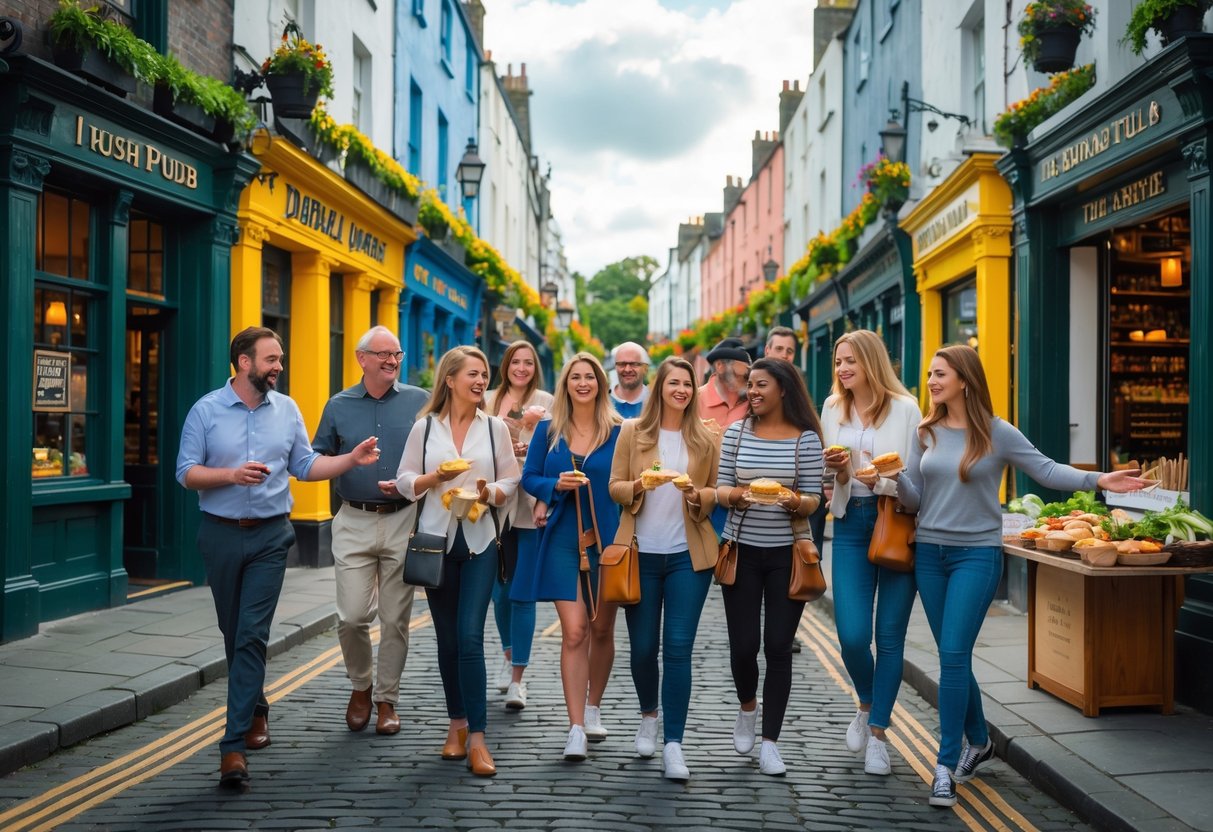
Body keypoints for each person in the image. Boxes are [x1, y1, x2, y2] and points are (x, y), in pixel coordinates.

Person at [893, 345, 1149, 808]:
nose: (930, 381)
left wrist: (1100, 481)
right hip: (929, 554)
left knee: (952, 654)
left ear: (965, 380)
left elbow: (1046, 469)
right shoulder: (924, 432)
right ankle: (979, 740)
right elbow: (913, 499)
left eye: (939, 374)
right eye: (930, 373)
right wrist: (888, 480)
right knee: (955, 657)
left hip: (977, 556)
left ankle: (944, 765)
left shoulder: (996, 432)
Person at [176, 326, 381, 787]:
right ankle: (258, 707)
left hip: (272, 537)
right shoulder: (206, 411)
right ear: (245, 363)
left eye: (281, 359)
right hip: (220, 535)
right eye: (272, 359)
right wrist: (231, 475)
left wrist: (351, 459)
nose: (280, 367)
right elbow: (186, 473)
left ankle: (232, 747)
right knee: (234, 633)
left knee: (251, 633)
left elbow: (306, 465)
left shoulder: (286, 410)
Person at [381, 346, 520, 777]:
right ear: (450, 380)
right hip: (436, 543)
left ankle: (478, 737)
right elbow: (405, 479)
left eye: (484, 375)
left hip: (480, 541)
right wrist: (434, 478)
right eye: (473, 375)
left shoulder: (494, 427)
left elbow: (511, 478)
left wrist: (488, 493)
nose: (482, 382)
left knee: (469, 636)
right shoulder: (424, 429)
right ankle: (455, 726)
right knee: (447, 641)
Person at [311, 326, 429, 737]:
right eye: (382, 354)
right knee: (352, 616)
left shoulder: (420, 402)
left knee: (395, 619)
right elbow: (316, 459)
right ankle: (360, 686)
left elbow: (442, 451)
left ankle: (386, 700)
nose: (391, 361)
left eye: (396, 354)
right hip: (354, 518)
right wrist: (349, 461)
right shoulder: (338, 405)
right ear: (362, 358)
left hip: (403, 519)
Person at [608, 357, 721, 781]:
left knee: (677, 648)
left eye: (688, 385)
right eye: (674, 383)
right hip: (640, 553)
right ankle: (648, 716)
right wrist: (641, 484)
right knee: (642, 649)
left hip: (686, 557)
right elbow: (615, 486)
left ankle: (674, 742)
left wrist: (697, 495)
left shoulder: (706, 437)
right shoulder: (633, 431)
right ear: (660, 388)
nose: (682, 391)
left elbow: (712, 492)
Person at [819, 330, 922, 776]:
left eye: (851, 362)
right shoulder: (832, 407)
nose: (842, 369)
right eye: (839, 362)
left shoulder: (906, 408)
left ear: (872, 363)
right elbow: (830, 477)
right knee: (853, 635)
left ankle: (879, 733)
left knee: (891, 636)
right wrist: (841, 474)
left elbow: (915, 483)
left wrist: (877, 481)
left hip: (895, 522)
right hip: (849, 524)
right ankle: (866, 702)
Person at [715, 357, 823, 777]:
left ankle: (771, 743)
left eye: (761, 385)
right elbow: (721, 487)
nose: (753, 392)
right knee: (743, 648)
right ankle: (747, 707)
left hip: (787, 555)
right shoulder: (737, 433)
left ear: (783, 388)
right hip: (741, 550)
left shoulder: (806, 439)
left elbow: (814, 497)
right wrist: (736, 497)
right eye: (750, 385)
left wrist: (797, 502)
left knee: (778, 646)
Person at [516, 352, 623, 761]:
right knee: (575, 630)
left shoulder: (618, 431)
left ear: (600, 383)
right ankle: (575, 726)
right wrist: (553, 487)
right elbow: (529, 476)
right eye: (575, 377)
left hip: (607, 539)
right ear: (565, 385)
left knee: (600, 630)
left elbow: (630, 478)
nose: (582, 383)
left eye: (589, 377)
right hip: (562, 535)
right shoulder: (548, 429)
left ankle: (594, 705)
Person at [486, 340, 555, 710]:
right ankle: (508, 653)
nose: (522, 368)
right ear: (506, 365)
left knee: (522, 593)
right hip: (494, 509)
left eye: (529, 362)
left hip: (528, 508)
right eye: (517, 361)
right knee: (499, 593)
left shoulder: (547, 400)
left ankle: (517, 680)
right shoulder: (489, 398)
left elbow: (556, 450)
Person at [698, 338, 751, 430]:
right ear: (720, 366)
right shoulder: (696, 399)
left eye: (747, 377)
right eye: (737, 374)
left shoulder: (752, 400)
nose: (746, 383)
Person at [610, 342, 651, 418]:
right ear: (615, 367)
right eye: (622, 364)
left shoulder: (654, 401)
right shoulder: (603, 400)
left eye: (634, 364)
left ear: (645, 368)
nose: (627, 369)